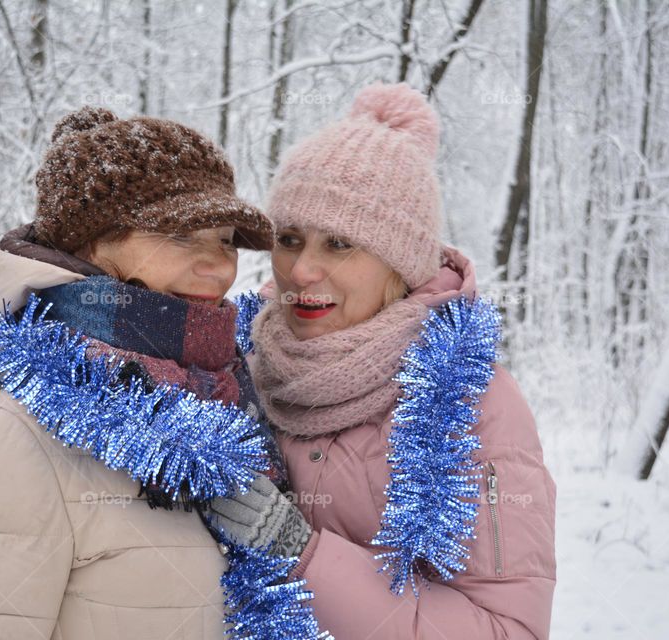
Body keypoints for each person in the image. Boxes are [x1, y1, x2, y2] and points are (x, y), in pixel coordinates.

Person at [0, 106, 307, 639]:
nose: (218, 266)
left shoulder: (231, 401)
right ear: (92, 242)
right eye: (182, 236)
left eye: (226, 239)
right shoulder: (8, 435)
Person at [207, 82, 557, 639]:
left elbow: (506, 629)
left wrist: (304, 558)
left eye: (340, 244)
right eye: (290, 239)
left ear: (400, 264)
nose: (301, 271)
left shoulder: (470, 402)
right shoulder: (235, 368)